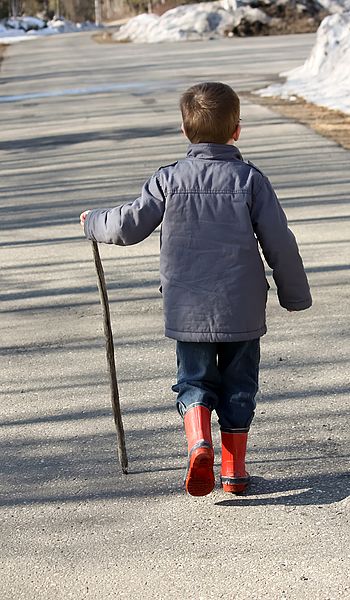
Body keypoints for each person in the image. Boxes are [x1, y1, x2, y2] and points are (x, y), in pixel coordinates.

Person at [80, 81, 312, 497]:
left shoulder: (168, 179)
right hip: (241, 311)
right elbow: (280, 240)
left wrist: (92, 220)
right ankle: (234, 470)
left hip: (187, 308)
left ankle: (198, 441)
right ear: (237, 130)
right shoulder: (251, 180)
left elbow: (128, 225)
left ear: (185, 132)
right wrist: (293, 293)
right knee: (240, 386)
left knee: (194, 381)